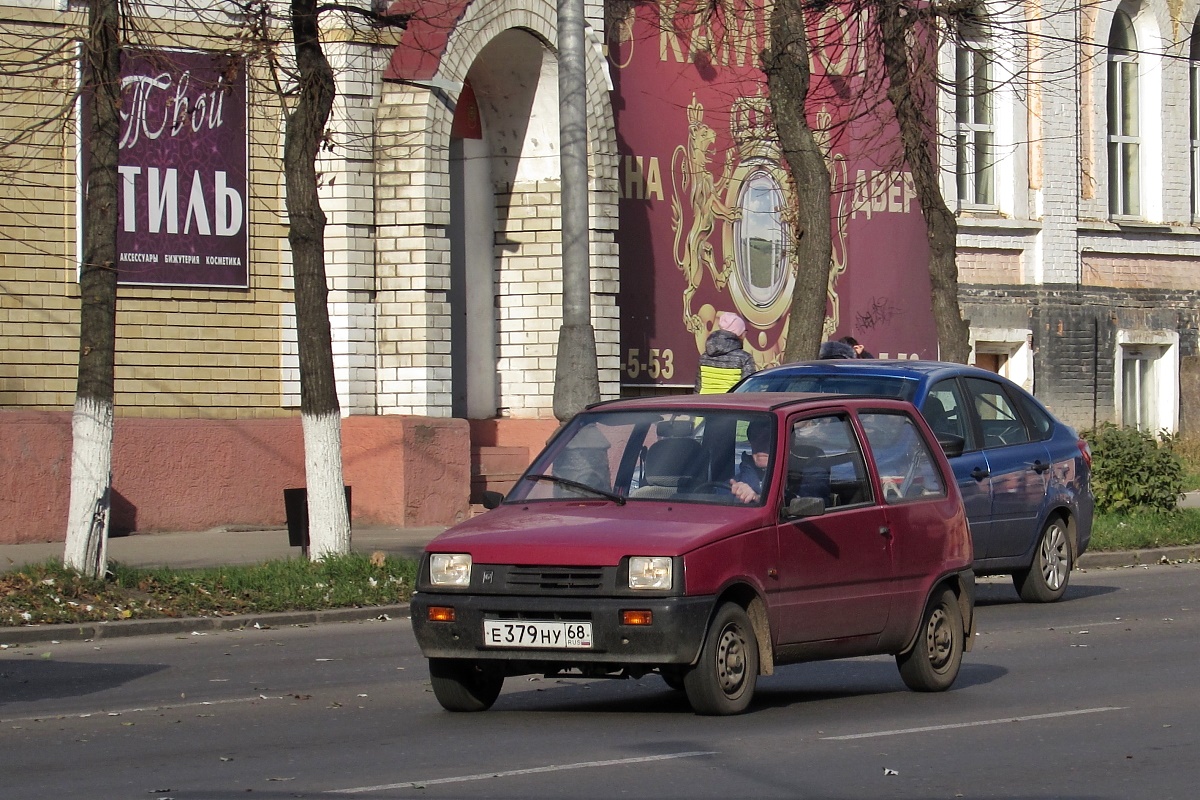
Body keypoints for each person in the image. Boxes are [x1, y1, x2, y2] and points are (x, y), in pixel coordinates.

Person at [695, 312, 757, 393]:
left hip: (705, 403)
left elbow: (697, 389)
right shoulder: (744, 358)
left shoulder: (704, 357)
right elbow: (748, 389)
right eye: (744, 332)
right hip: (730, 404)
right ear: (739, 334)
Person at [730, 419, 772, 504]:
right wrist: (740, 497)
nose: (761, 445)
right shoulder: (733, 485)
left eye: (769, 438)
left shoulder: (799, 481)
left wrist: (758, 499)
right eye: (756, 438)